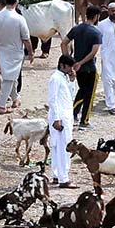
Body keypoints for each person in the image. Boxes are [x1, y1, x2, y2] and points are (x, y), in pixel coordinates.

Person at [0, 0, 33, 114]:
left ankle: (15, 99)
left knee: (11, 76)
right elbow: (26, 39)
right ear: (16, 3)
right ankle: (2, 106)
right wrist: (31, 52)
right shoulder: (19, 19)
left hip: (1, 50)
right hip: (15, 52)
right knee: (9, 78)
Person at [61, 5, 102, 130]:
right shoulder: (96, 32)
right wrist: (81, 62)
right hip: (89, 68)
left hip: (78, 68)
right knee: (88, 95)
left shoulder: (76, 29)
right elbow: (93, 53)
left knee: (82, 91)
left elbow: (63, 43)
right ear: (96, 17)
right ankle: (84, 120)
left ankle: (73, 114)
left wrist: (69, 60)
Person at [49, 55, 77, 189]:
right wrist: (56, 119)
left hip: (65, 116)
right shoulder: (55, 78)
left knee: (58, 147)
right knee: (63, 148)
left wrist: (72, 81)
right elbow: (52, 99)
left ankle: (56, 175)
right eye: (69, 67)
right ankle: (63, 178)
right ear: (62, 65)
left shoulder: (64, 78)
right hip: (60, 118)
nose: (71, 69)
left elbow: (69, 97)